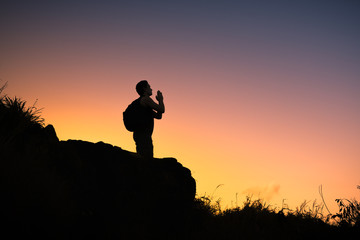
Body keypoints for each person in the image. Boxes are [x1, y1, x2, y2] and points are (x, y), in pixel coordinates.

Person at [133, 80, 165, 159]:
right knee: (146, 159)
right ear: (145, 89)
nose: (151, 89)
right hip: (143, 135)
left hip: (143, 135)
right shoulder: (145, 99)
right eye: (149, 87)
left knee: (145, 157)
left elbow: (158, 116)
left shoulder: (145, 104)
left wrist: (158, 102)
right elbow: (162, 109)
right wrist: (161, 100)